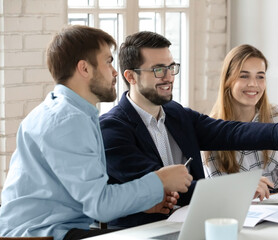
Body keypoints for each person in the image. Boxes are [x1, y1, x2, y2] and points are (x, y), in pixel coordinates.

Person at [0, 25, 193, 240]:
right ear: (84, 68)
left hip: (57, 229)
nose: (115, 72)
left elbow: (89, 196)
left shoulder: (69, 111)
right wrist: (160, 180)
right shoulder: (68, 121)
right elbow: (100, 205)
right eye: (108, 61)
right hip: (41, 235)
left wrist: (144, 201)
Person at [99, 31, 278, 228]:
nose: (169, 77)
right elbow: (162, 186)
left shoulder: (176, 113)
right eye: (159, 70)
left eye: (172, 67)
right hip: (146, 232)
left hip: (193, 224)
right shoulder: (112, 128)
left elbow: (229, 132)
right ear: (131, 77)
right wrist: (239, 188)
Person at [203, 44, 278, 193]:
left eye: (260, 76)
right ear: (228, 79)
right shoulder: (213, 128)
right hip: (244, 208)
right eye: (244, 76)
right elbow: (217, 191)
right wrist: (245, 188)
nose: (253, 84)